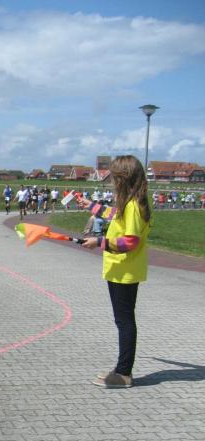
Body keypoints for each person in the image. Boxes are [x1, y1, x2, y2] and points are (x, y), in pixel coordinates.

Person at [77, 156, 152, 389]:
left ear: (122, 178)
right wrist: (92, 206)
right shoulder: (131, 203)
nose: (111, 182)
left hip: (124, 270)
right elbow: (115, 215)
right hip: (121, 269)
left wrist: (99, 242)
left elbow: (130, 242)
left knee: (125, 321)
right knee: (123, 319)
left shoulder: (133, 206)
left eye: (113, 177)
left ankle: (124, 373)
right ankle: (121, 369)